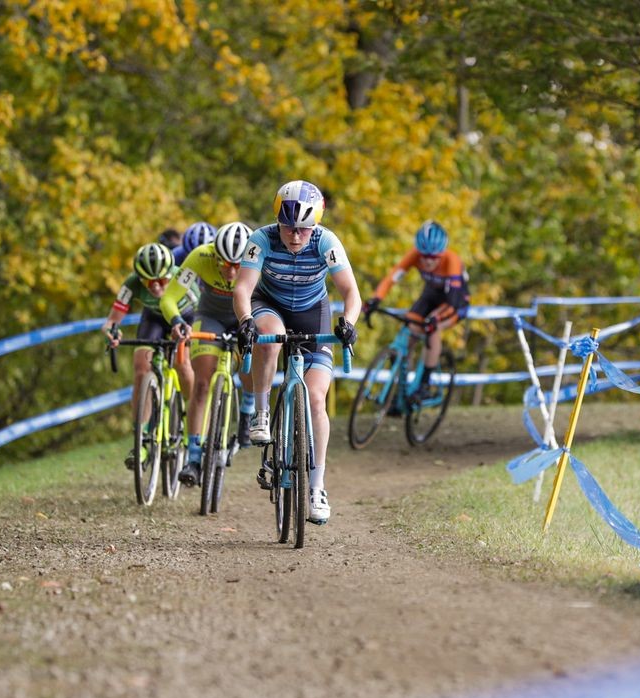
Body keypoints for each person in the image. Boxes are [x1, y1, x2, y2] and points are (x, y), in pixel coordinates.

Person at [232, 180, 361, 524]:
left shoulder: (326, 242)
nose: (295, 236)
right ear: (279, 222)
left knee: (316, 399)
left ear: (314, 225)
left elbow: (351, 293)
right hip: (269, 305)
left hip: (312, 310)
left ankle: (317, 487)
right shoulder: (261, 239)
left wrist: (348, 322)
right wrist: (245, 320)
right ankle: (261, 413)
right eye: (289, 227)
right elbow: (243, 288)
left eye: (304, 229)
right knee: (269, 335)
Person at [161, 222, 257, 486]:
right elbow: (169, 298)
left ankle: (248, 412)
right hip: (210, 316)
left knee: (253, 356)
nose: (232, 271)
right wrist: (178, 320)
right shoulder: (200, 256)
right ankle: (193, 457)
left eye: (238, 265)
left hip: (245, 316)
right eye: (225, 263)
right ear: (214, 254)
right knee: (201, 384)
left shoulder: (260, 256)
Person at [101, 242, 198, 469]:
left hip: (185, 316)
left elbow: (202, 310)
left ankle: (191, 413)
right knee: (140, 368)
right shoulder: (132, 282)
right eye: (148, 282)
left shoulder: (183, 277)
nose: (155, 287)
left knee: (182, 364)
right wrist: (111, 331)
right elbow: (112, 319)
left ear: (170, 275)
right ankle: (141, 438)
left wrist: (188, 333)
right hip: (153, 318)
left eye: (162, 281)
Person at [363, 220, 468, 401]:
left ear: (442, 253)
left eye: (433, 257)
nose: (427, 261)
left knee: (432, 328)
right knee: (409, 329)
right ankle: (402, 387)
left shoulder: (452, 261)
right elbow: (392, 278)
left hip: (454, 302)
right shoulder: (414, 255)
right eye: (424, 256)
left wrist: (436, 319)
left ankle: (426, 384)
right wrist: (375, 299)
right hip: (431, 295)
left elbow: (453, 302)